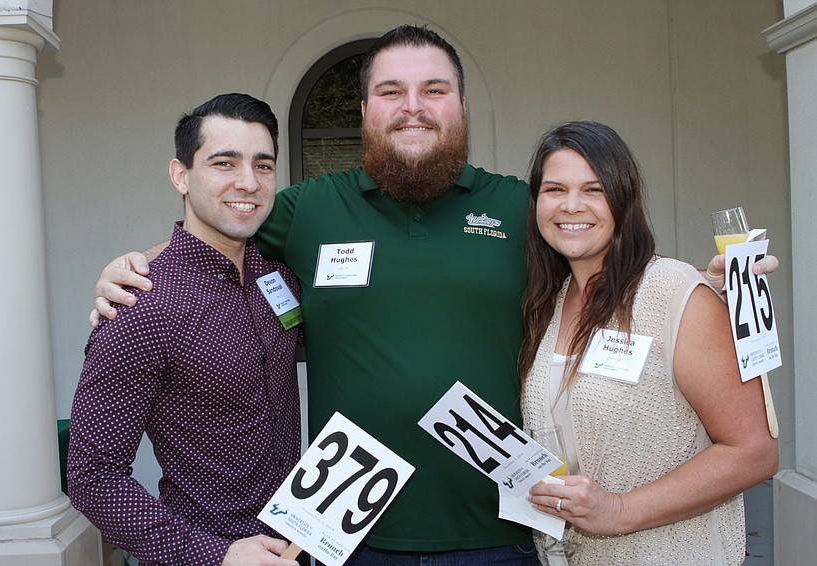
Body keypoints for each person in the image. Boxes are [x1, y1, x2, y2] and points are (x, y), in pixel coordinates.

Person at [88, 26, 777, 565]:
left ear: (461, 108)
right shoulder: (309, 209)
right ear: (364, 110)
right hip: (344, 536)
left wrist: (708, 287)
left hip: (504, 533)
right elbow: (224, 226)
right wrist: (138, 269)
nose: (412, 107)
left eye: (434, 90)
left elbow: (605, 261)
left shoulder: (520, 208)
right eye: (391, 91)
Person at [520, 121, 779, 565]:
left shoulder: (674, 292)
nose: (571, 205)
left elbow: (754, 452)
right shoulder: (549, 302)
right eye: (555, 189)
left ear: (623, 199)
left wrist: (619, 511)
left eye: (594, 190)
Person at [67, 93, 303, 566]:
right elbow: (92, 477)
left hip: (297, 545)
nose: (248, 182)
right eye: (224, 163)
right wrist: (218, 555)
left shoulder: (279, 279)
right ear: (181, 175)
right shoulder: (140, 305)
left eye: (262, 165)